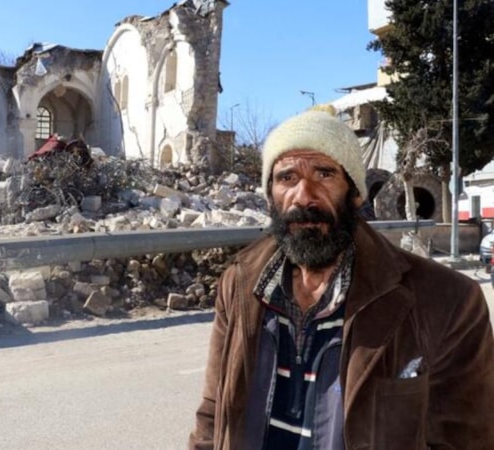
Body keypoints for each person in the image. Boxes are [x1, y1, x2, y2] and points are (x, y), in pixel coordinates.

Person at [189, 107, 494, 449]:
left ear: (355, 192)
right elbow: (213, 416)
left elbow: (467, 439)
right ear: (270, 196)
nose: (303, 195)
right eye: (287, 177)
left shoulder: (448, 301)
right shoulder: (240, 284)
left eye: (324, 174)